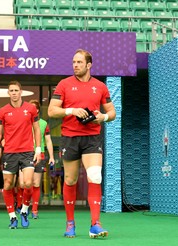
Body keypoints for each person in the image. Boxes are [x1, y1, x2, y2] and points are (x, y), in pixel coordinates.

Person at [48, 49, 116, 239]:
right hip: (69, 138)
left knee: (95, 176)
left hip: (92, 138)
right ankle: (70, 223)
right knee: (70, 180)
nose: (75, 65)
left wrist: (102, 117)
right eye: (73, 62)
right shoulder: (64, 84)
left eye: (79, 62)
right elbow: (53, 111)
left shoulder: (100, 86)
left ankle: (95, 223)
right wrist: (71, 111)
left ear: (89, 65)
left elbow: (112, 112)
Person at [0, 81, 41, 229]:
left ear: (21, 92)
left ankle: (24, 211)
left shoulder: (31, 109)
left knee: (27, 183)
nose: (14, 93)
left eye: (16, 90)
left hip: (27, 152)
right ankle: (12, 217)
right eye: (11, 90)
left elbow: (37, 130)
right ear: (8, 93)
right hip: (10, 153)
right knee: (8, 185)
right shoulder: (3, 111)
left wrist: (38, 149)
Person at [28, 99, 54, 219]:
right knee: (25, 184)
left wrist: (52, 156)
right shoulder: (24, 121)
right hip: (25, 153)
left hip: (40, 154)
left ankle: (34, 210)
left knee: (36, 183)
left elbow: (48, 140)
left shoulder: (44, 123)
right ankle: (24, 206)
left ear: (37, 110)